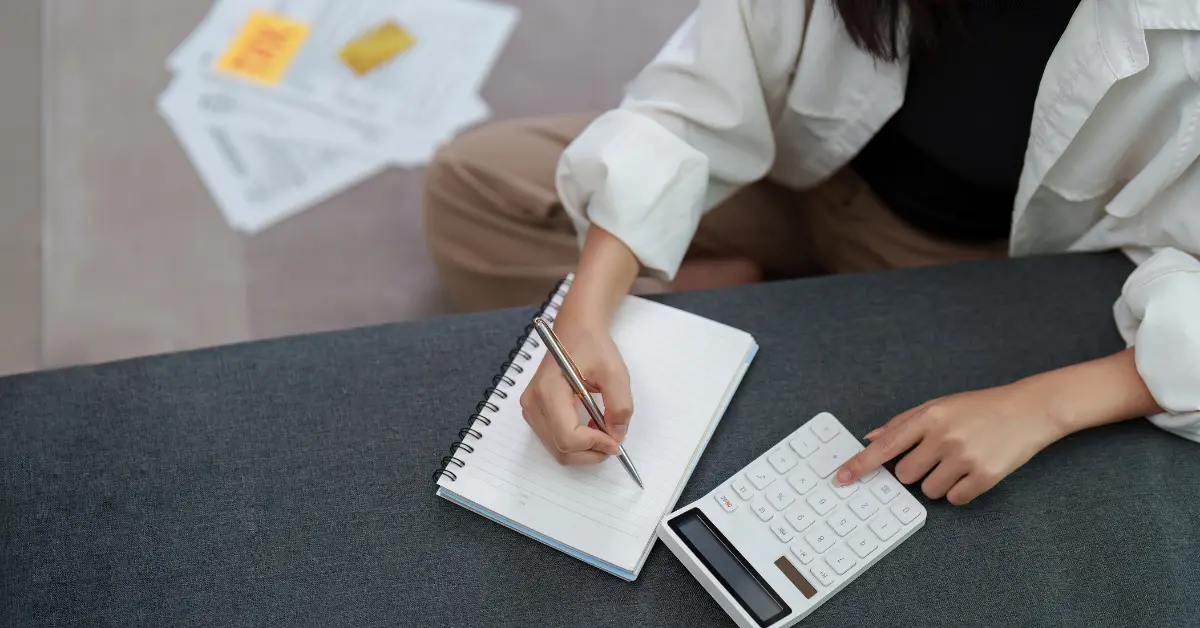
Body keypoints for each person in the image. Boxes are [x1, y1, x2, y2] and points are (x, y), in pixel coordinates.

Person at [422, 0, 1200, 504]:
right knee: (475, 189)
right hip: (797, 168)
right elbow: (694, 102)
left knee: (867, 465)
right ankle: (759, 293)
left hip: (959, 260)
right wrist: (585, 315)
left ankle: (755, 301)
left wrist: (1045, 403)